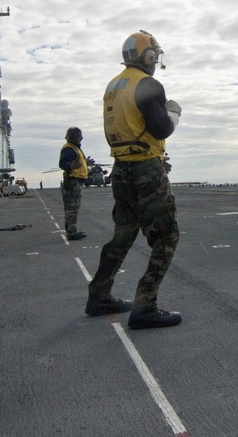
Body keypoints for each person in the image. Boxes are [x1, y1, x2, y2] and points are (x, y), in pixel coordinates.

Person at [85, 30, 183, 329]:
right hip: (146, 171)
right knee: (166, 237)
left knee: (123, 234)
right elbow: (161, 128)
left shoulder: (114, 85)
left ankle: (99, 295)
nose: (156, 61)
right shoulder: (147, 84)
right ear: (149, 56)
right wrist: (174, 114)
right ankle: (145, 305)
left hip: (121, 170)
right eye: (155, 55)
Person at [59, 127, 88, 241]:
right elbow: (63, 163)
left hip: (76, 182)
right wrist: (71, 166)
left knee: (73, 207)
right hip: (73, 182)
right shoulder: (68, 149)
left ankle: (71, 230)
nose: (80, 138)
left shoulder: (75, 149)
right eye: (78, 136)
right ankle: (72, 232)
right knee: (72, 207)